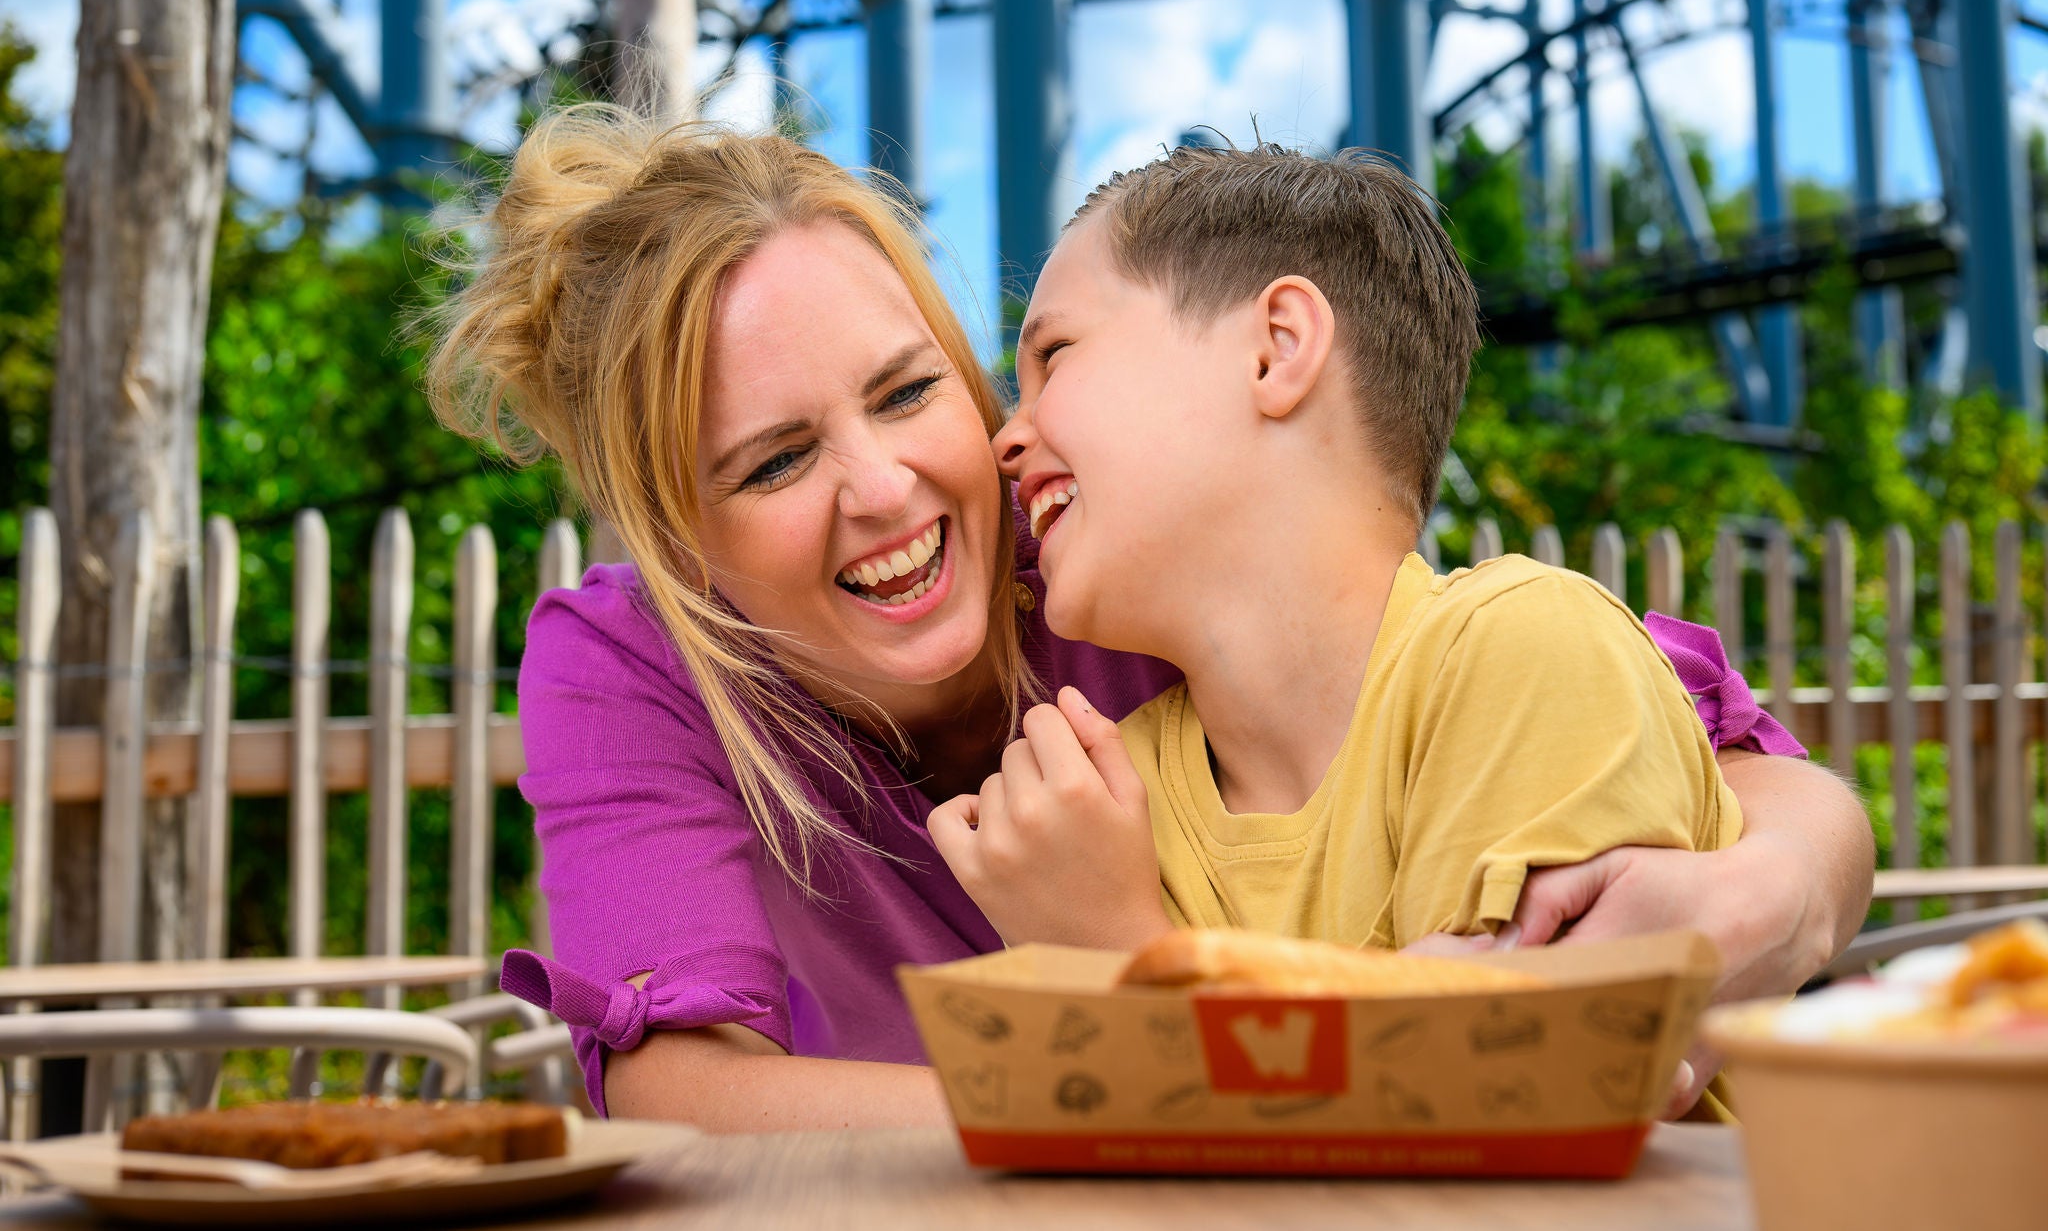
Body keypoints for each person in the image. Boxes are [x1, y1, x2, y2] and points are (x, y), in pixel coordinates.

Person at [419, 103, 1874, 1130]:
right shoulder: (638, 663)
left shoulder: (1103, 548)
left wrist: (1777, 889)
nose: (887, 488)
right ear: (681, 543)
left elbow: (1675, 754)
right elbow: (683, 1085)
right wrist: (1126, 1058)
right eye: (775, 462)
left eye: (913, 390)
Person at [931, 142, 1750, 959]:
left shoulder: (1528, 651)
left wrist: (1116, 946)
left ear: (1277, 347)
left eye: (1055, 357)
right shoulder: (1103, 809)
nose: (1008, 439)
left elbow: (1515, 1047)